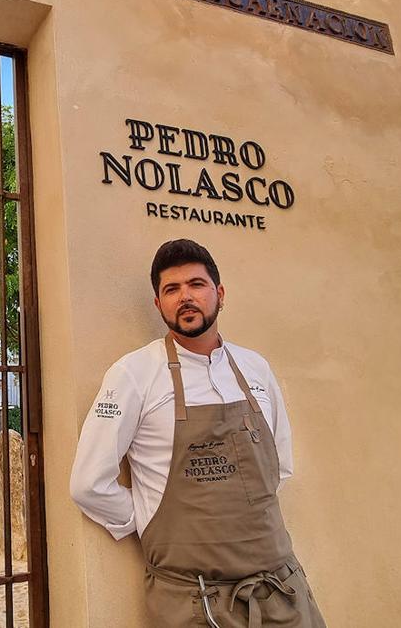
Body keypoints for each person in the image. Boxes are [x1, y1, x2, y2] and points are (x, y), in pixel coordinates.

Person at [69, 239, 326, 627]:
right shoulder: (133, 375)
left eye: (196, 284)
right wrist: (148, 521)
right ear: (158, 304)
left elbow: (279, 466)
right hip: (192, 604)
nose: (185, 297)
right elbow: (88, 483)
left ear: (219, 294)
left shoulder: (256, 368)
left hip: (280, 594)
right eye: (171, 290)